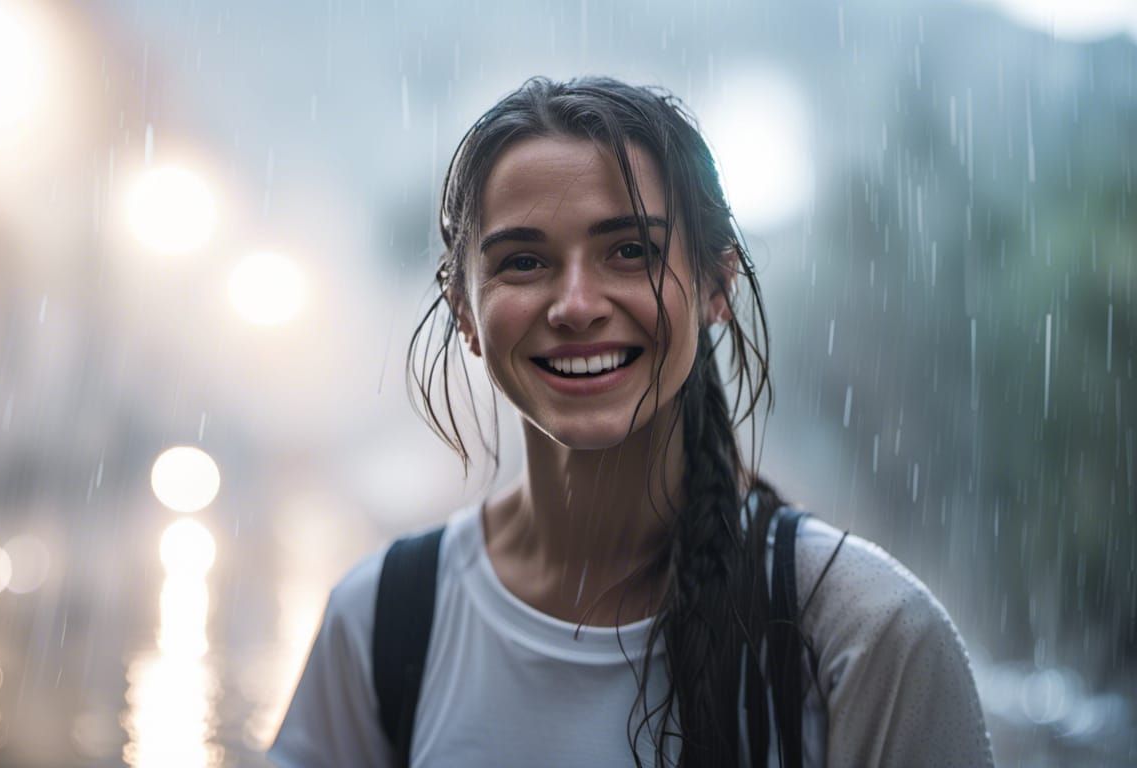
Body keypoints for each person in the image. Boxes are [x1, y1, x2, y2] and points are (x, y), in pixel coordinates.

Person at [267, 76, 994, 767]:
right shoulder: (384, 623)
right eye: (523, 261)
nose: (576, 303)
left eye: (630, 251)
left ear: (717, 285)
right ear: (465, 309)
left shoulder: (865, 634)